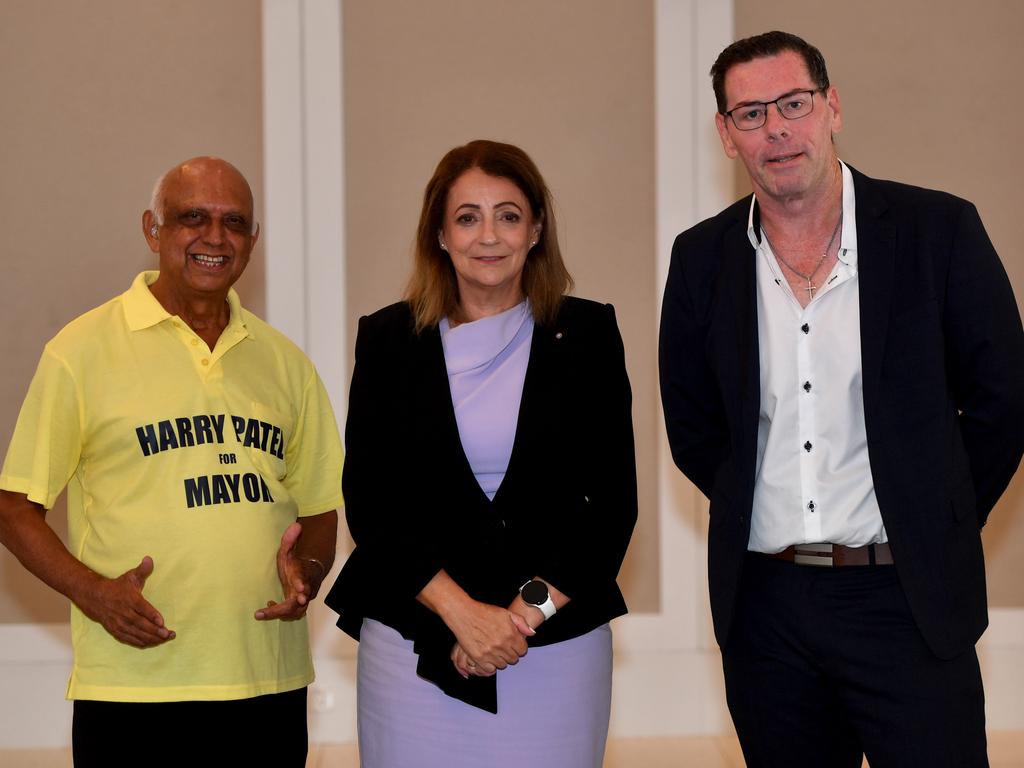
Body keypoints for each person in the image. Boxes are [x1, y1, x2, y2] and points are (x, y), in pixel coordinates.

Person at [659, 30, 1024, 768]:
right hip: (767, 610)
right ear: (727, 137)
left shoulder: (937, 231)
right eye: (751, 114)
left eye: (793, 104)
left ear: (833, 108)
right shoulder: (702, 259)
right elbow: (694, 426)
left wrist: (935, 516)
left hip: (908, 602)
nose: (777, 129)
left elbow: (1003, 402)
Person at [0, 157, 344, 765]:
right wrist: (95, 592)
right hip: (134, 688)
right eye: (193, 218)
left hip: (267, 684)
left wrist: (307, 575)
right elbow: (13, 508)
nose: (215, 237)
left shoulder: (287, 364)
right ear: (152, 230)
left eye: (234, 222)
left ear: (253, 240)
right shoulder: (80, 352)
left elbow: (319, 508)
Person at [325, 139, 637, 767]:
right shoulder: (388, 340)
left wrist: (519, 619)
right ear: (439, 233)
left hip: (554, 646)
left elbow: (611, 508)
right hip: (413, 637)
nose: (488, 235)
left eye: (509, 215)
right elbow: (372, 505)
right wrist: (462, 615)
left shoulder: (587, 334)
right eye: (467, 217)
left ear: (536, 230)